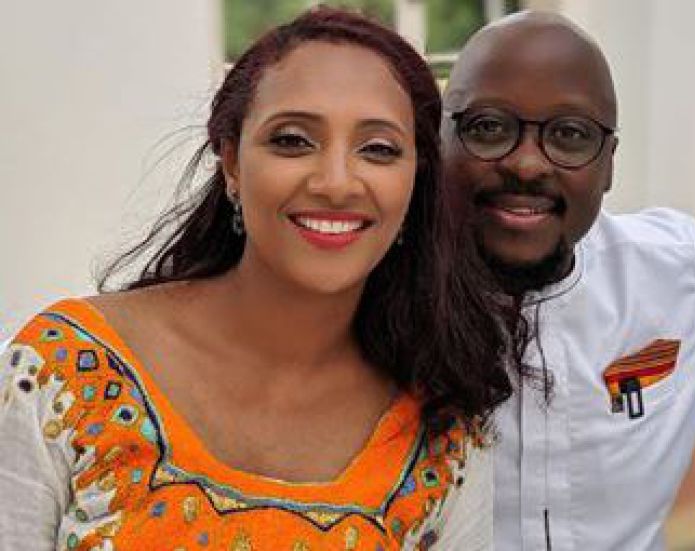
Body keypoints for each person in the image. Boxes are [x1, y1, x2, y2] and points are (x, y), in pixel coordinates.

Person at [0, 7, 518, 550]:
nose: (336, 183)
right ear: (230, 163)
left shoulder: (443, 439)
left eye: (379, 149)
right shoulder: (61, 374)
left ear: (416, 181)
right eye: (293, 141)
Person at [441, 10, 695, 551]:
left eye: (570, 134)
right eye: (488, 127)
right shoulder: (375, 287)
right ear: (439, 139)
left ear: (609, 164)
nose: (528, 164)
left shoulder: (678, 273)